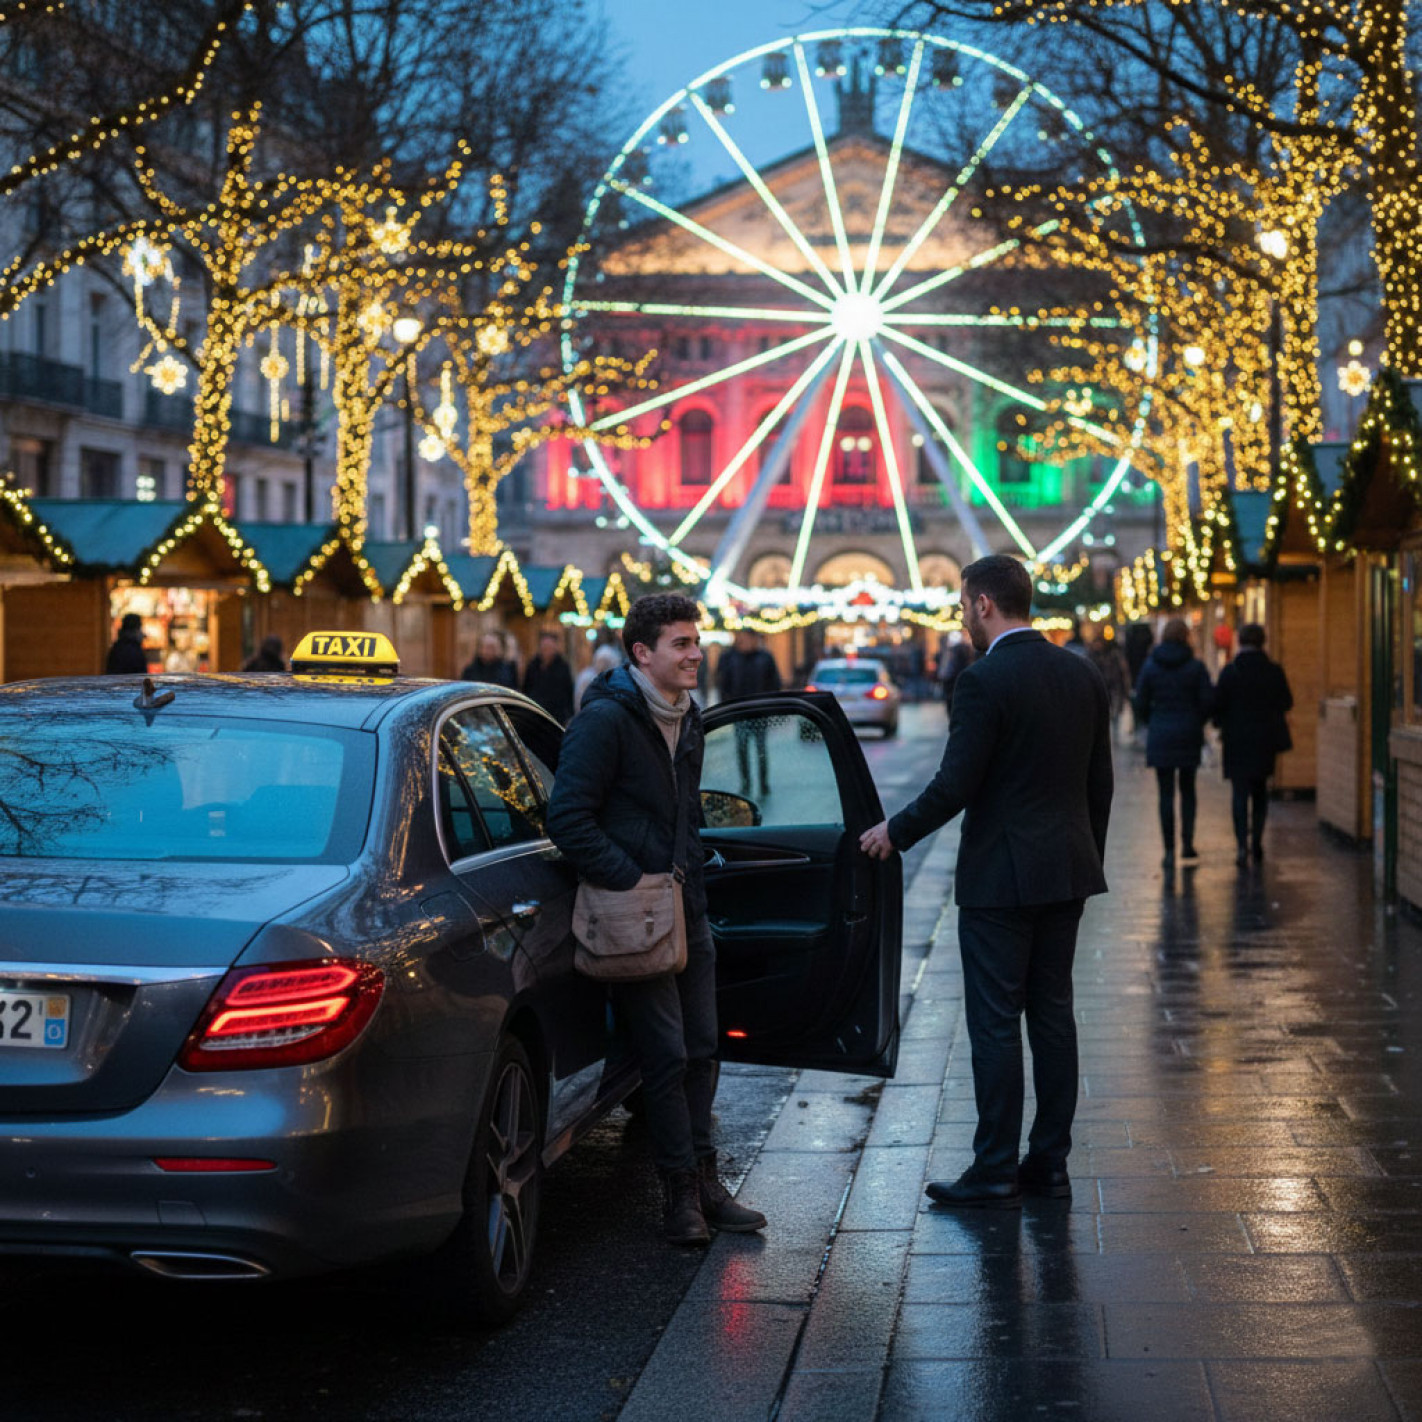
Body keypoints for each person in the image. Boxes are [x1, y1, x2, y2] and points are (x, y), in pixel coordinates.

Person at [860, 555, 1113, 1209]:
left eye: (961, 606)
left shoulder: (982, 681)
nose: (961, 618)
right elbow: (1099, 783)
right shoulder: (1081, 673)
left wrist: (897, 831)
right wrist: (1086, 857)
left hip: (1001, 877)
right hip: (1066, 871)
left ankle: (996, 1165)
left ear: (982, 604)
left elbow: (956, 784)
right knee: (1053, 1017)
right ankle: (1049, 1162)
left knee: (996, 1024)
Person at [547, 594, 766, 1245]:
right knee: (665, 1055)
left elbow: (684, 813)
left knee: (703, 1046)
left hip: (686, 903)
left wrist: (688, 866)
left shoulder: (688, 717)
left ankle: (705, 1180)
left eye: (696, 640)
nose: (696, 652)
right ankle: (679, 1196)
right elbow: (567, 817)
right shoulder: (606, 723)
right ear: (643, 653)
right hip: (633, 910)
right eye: (681, 643)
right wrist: (630, 876)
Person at [1134, 618, 1214, 868]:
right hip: (1188, 732)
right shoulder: (1196, 666)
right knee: (1188, 790)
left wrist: (1153, 721)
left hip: (1161, 734)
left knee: (1165, 793)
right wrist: (1196, 721)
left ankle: (1169, 849)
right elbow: (1208, 702)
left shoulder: (1151, 665)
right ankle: (1187, 843)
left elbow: (1141, 702)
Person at [1212, 622, 1293, 866]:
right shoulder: (1273, 671)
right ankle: (1257, 842)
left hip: (1236, 740)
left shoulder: (1230, 671)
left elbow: (1218, 705)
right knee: (1260, 792)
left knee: (1239, 793)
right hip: (1264, 739)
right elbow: (1286, 702)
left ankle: (1241, 846)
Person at [715, 629, 782, 797]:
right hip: (739, 712)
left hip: (760, 712)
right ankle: (746, 783)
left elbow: (775, 683)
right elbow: (722, 682)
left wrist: (771, 706)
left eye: (747, 639)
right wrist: (726, 707)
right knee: (742, 748)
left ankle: (763, 783)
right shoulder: (730, 657)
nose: (744, 642)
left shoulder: (765, 657)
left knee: (761, 749)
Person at [522, 629, 575, 724]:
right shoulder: (533, 664)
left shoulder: (562, 666)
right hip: (535, 712)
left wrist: (569, 714)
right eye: (544, 647)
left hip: (556, 715)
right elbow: (526, 687)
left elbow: (568, 690)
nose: (546, 650)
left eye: (549, 647)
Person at [1087, 629, 1131, 739]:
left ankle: (1113, 733)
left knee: (1114, 711)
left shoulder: (1112, 654)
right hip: (1104, 686)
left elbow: (1121, 672)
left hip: (1113, 686)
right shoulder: (1093, 655)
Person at [574, 641, 623, 714]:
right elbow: (579, 701)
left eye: (606, 662)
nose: (602, 665)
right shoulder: (587, 677)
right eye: (601, 661)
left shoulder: (615, 680)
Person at [938, 633, 975, 717]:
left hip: (953, 682)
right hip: (958, 681)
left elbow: (949, 669)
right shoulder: (965, 651)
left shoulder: (952, 652)